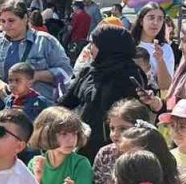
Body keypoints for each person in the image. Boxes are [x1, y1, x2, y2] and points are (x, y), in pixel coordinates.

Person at [59, 25, 149, 160]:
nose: (90, 48)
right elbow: (67, 102)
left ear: (108, 46)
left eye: (93, 44)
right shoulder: (90, 71)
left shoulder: (129, 75)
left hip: (114, 148)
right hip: (80, 142)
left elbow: (130, 113)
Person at [0, 0, 73, 112]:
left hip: (39, 110)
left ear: (25, 18)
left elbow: (66, 72)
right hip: (5, 110)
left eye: (11, 21)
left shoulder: (46, 41)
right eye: (3, 21)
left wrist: (36, 75)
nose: (6, 26)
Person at [85, 99, 154, 184]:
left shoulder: (149, 158)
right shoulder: (105, 153)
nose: (115, 134)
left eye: (123, 129)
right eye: (112, 128)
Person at [132, 3, 175, 92]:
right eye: (151, 18)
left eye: (160, 19)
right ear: (141, 21)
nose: (155, 22)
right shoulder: (128, 44)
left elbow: (165, 86)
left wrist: (160, 60)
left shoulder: (165, 48)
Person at [3, 62, 52, 128]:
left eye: (17, 80)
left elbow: (47, 124)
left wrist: (25, 117)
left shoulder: (39, 101)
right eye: (10, 80)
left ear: (30, 83)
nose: (12, 85)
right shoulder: (8, 100)